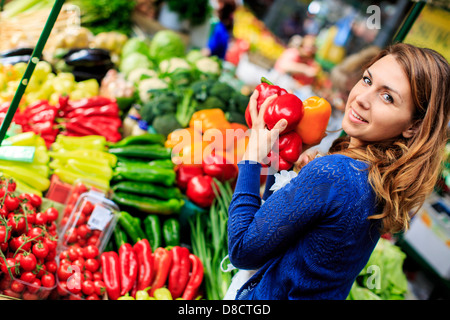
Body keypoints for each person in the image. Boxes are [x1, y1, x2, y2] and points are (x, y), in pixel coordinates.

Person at [226, 43, 450, 300]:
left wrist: (251, 161)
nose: (362, 99)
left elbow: (243, 250)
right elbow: (274, 231)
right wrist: (287, 166)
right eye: (367, 80)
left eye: (387, 97)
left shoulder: (335, 173)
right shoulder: (380, 179)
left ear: (413, 126)